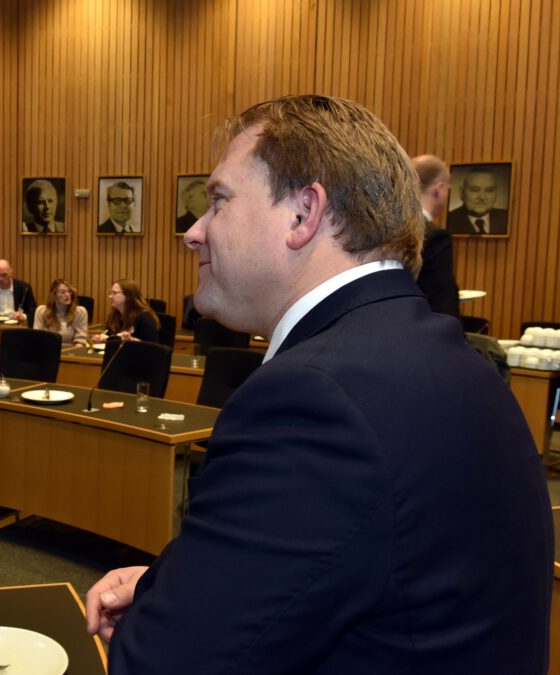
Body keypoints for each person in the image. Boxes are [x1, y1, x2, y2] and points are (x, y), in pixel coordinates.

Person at [85, 95, 550, 673]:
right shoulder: (457, 363)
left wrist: (165, 614)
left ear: (304, 213)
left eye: (218, 200)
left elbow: (164, 662)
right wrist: (171, 585)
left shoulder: (313, 399)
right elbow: (341, 559)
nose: (193, 232)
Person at [411, 155, 460, 317]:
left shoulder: (387, 231)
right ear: (438, 190)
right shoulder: (436, 238)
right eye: (448, 189)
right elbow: (441, 304)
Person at [91, 279, 159, 343]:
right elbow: (112, 338)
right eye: (110, 293)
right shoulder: (114, 316)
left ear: (128, 296)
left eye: (115, 293)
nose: (110, 296)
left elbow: (153, 348)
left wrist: (131, 340)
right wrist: (103, 339)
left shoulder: (145, 318)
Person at [447, 167, 509, 235]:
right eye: (475, 190)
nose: (482, 197)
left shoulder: (506, 218)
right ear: (461, 193)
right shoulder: (449, 221)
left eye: (489, 190)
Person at [0, 259, 36, 326]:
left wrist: (23, 316)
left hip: (17, 325)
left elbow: (33, 310)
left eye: (4, 275)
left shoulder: (24, 288)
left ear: (11, 273)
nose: (1, 279)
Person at [33, 278, 89, 346]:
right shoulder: (41, 311)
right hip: (47, 351)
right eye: (63, 292)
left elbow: (80, 341)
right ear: (54, 295)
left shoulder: (80, 312)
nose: (67, 295)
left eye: (69, 291)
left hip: (71, 352)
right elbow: (37, 338)